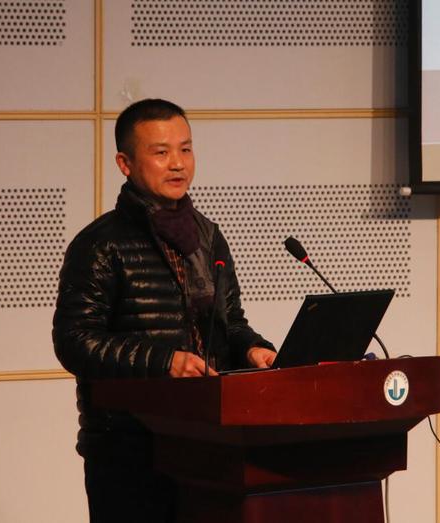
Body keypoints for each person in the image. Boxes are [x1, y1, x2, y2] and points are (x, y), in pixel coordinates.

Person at [52, 98, 275, 522]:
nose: (178, 163)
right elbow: (74, 342)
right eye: (161, 152)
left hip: (209, 443)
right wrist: (164, 361)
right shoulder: (100, 244)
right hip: (129, 450)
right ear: (125, 163)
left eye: (185, 149)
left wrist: (252, 349)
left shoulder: (208, 236)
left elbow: (229, 323)